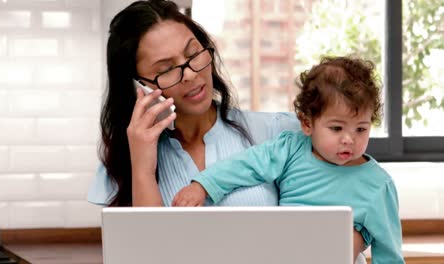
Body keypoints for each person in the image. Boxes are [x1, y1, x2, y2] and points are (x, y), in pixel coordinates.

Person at [86, 0, 367, 262]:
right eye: (167, 69)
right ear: (139, 87)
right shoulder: (126, 161)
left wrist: (347, 243)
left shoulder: (279, 133)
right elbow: (145, 256)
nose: (192, 74)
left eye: (194, 54)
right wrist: (143, 168)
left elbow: (359, 194)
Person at [173, 56, 405, 264]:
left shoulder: (379, 186)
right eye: (336, 128)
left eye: (361, 129)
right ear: (306, 123)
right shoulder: (290, 148)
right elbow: (246, 164)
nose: (349, 139)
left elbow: (389, 252)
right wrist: (203, 185)